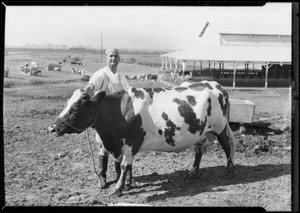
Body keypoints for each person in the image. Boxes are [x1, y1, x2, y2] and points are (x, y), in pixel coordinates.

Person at [83, 48, 130, 189]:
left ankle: (118, 175)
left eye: (116, 56)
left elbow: (129, 94)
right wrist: (85, 101)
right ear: (106, 58)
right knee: (103, 147)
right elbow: (89, 89)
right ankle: (102, 176)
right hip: (103, 119)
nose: (113, 59)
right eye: (110, 56)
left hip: (118, 118)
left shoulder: (121, 77)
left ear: (119, 59)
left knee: (118, 147)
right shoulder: (100, 74)